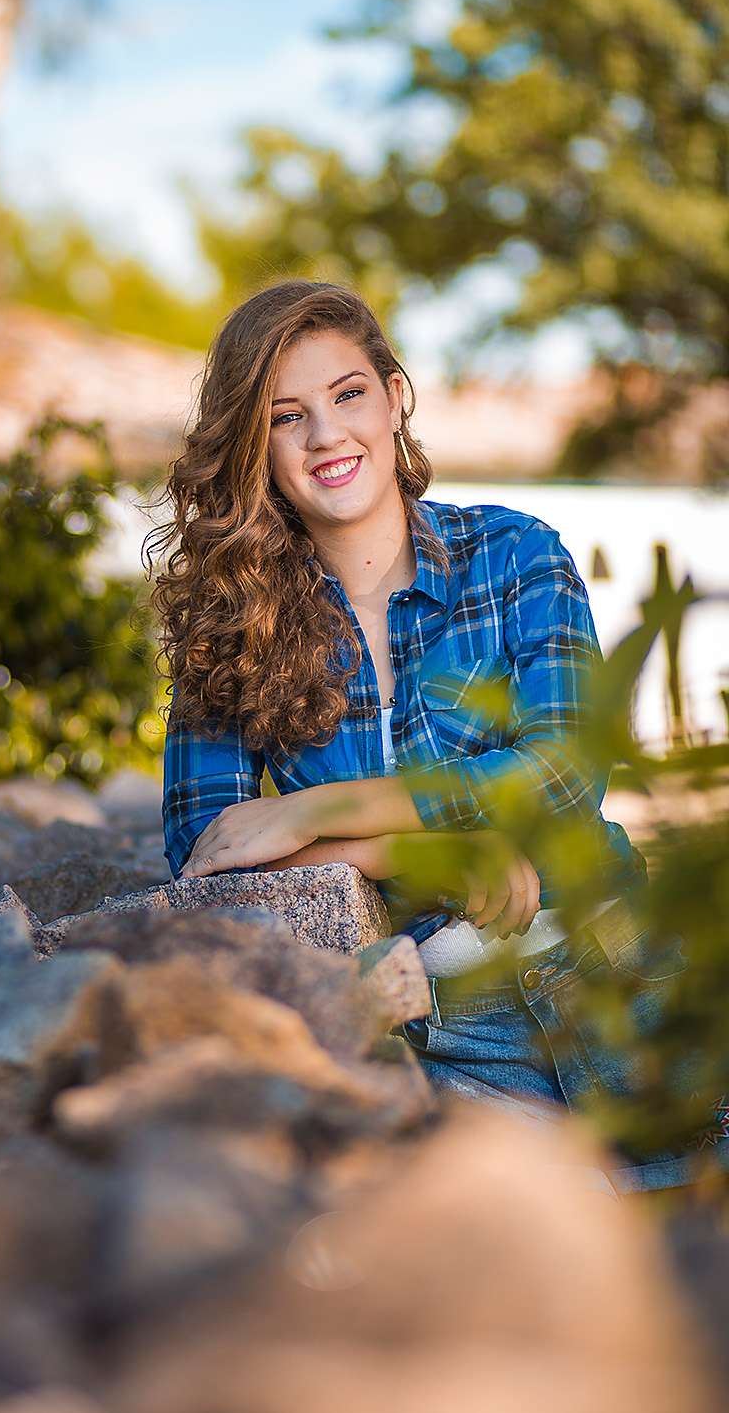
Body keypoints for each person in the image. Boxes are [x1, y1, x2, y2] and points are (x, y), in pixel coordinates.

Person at [153, 278, 693, 1189]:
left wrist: (321, 811)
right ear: (254, 445)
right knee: (536, 1249)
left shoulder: (517, 554)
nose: (326, 436)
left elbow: (563, 776)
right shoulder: (234, 625)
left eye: (348, 395)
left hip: (623, 977)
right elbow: (206, 858)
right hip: (444, 1033)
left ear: (395, 397)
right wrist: (415, 852)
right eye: (286, 417)